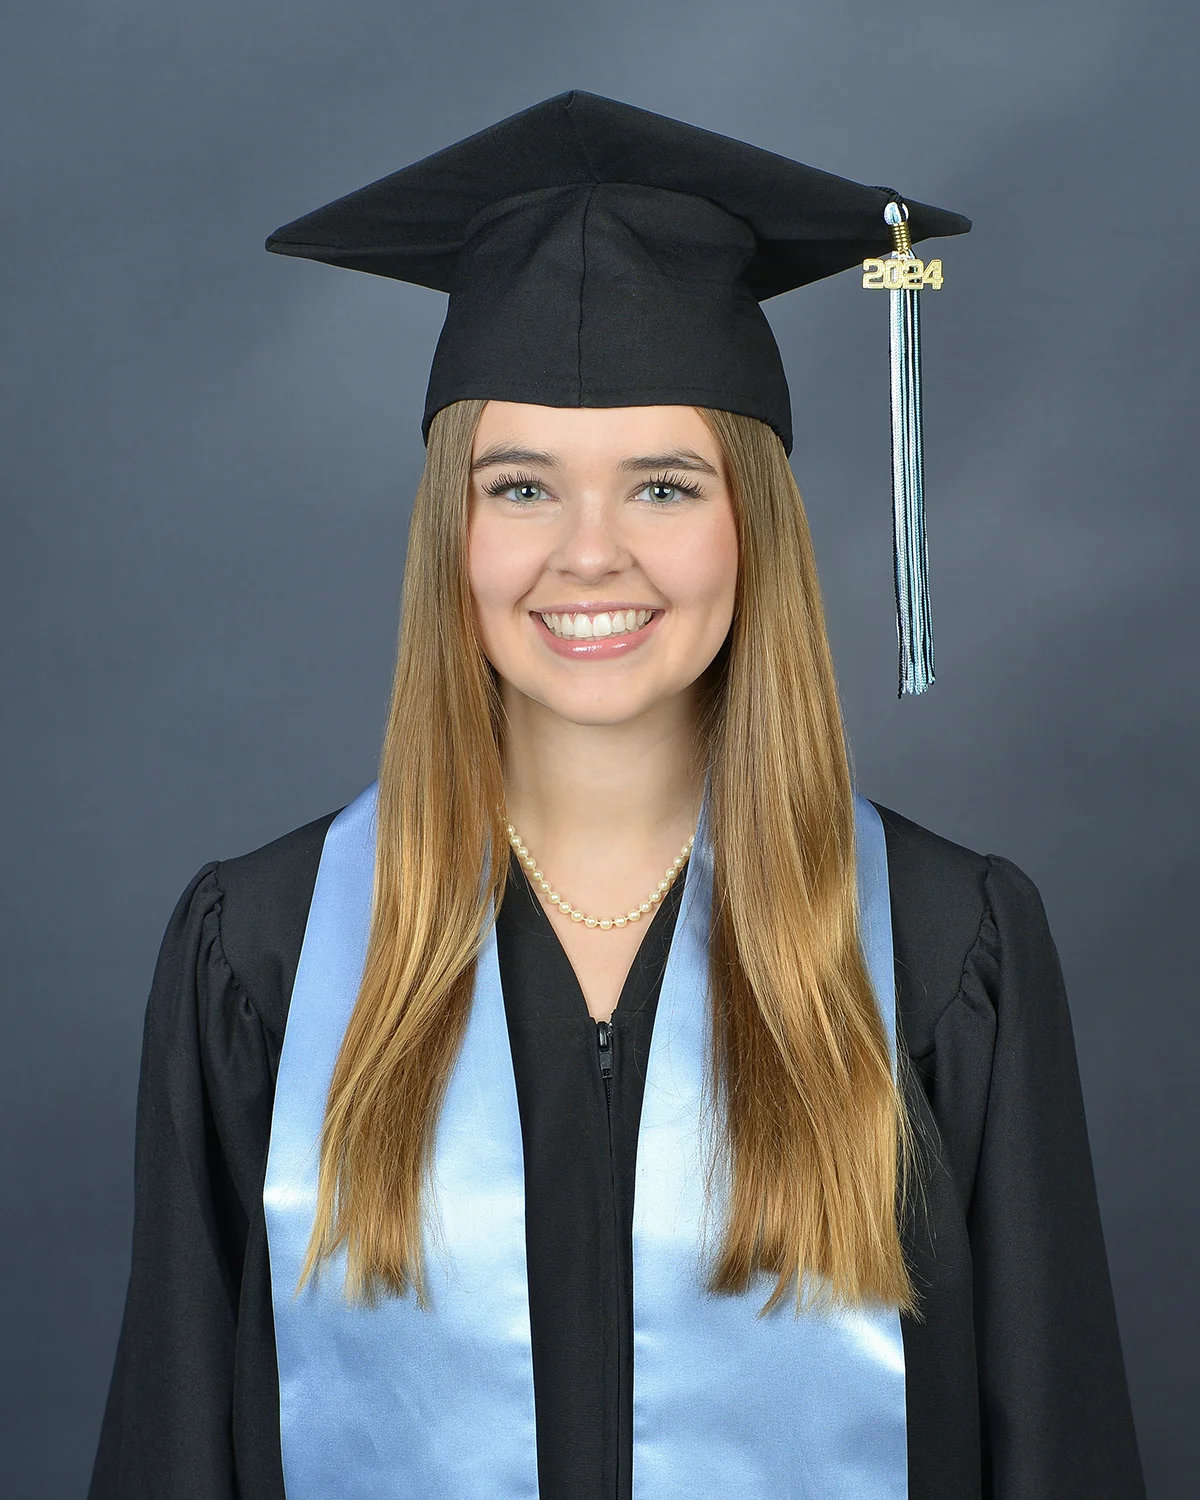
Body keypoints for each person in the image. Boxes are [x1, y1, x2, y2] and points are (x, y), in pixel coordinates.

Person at [89, 92, 1145, 1500]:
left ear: (751, 526)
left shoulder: (947, 950)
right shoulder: (268, 957)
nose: (589, 555)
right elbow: (174, 1450)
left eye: (662, 486)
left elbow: (1060, 1450)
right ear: (453, 534)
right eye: (522, 488)